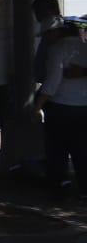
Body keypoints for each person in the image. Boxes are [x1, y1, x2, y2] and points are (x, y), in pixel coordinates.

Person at [33, 21, 86, 197]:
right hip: (83, 106)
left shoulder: (58, 49)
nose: (46, 39)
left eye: (48, 35)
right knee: (81, 149)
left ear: (56, 33)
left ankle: (58, 184)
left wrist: (38, 105)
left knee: (57, 149)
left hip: (61, 106)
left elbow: (52, 82)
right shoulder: (84, 47)